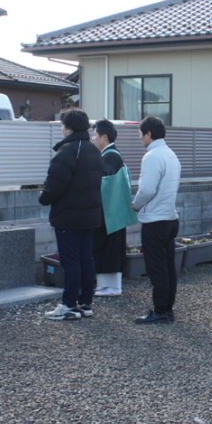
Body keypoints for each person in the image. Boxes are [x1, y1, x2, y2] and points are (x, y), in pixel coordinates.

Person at [39, 109, 103, 320]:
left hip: (69, 216)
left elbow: (54, 185)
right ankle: (85, 303)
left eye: (62, 125)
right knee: (86, 259)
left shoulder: (68, 151)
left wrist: (43, 197)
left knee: (71, 261)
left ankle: (68, 305)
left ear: (68, 128)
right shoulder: (93, 150)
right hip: (91, 214)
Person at [132, 116, 181, 324]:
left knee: (156, 267)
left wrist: (136, 205)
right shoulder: (171, 154)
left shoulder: (151, 156)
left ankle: (159, 310)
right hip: (170, 217)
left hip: (155, 220)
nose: (140, 139)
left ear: (149, 134)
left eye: (140, 135)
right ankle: (167, 308)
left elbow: (146, 190)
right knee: (168, 266)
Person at [92, 119, 128, 297]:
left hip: (108, 212)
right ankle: (109, 286)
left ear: (104, 137)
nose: (92, 138)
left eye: (95, 135)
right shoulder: (113, 155)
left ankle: (108, 287)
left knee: (106, 248)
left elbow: (104, 183)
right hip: (115, 212)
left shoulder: (110, 156)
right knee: (111, 248)